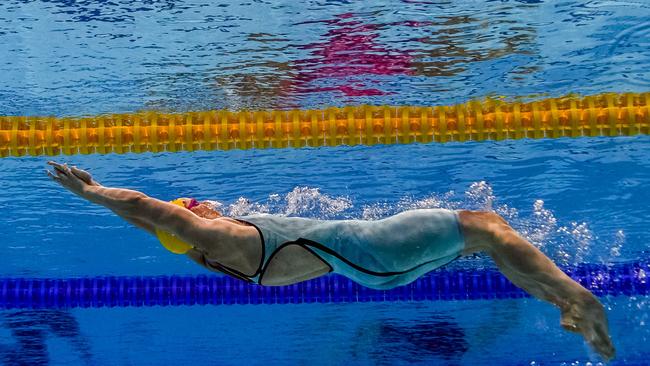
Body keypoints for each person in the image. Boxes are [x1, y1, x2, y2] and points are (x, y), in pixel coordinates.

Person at [46, 161, 615, 360]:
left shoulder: (222, 257)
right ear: (192, 218)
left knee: (485, 240)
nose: (199, 203)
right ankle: (579, 297)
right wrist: (92, 193)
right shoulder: (213, 235)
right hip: (376, 250)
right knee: (488, 226)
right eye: (192, 207)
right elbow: (152, 209)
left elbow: (152, 221)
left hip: (375, 273)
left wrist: (128, 211)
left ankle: (562, 302)